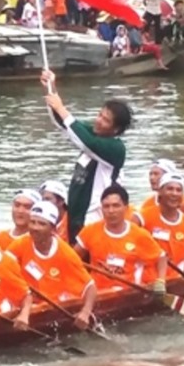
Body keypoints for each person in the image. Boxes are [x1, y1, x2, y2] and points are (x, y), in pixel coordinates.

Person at [40, 69, 131, 242]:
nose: (98, 120)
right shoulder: (93, 134)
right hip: (75, 216)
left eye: (105, 120)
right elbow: (65, 124)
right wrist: (51, 88)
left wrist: (60, 106)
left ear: (116, 129)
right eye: (99, 115)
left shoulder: (115, 149)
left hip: (93, 219)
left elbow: (86, 141)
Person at [5, 202, 97, 330]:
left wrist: (86, 312)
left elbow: (90, 286)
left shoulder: (65, 253)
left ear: (53, 229)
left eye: (42, 224)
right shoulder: (19, 244)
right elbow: (1, 269)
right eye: (32, 222)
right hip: (29, 302)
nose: (35, 228)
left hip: (55, 305)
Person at [75, 184, 168, 293]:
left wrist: (161, 280)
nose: (111, 211)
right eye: (106, 206)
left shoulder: (139, 235)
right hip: (98, 294)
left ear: (126, 208)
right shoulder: (90, 231)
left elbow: (161, 258)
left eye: (116, 206)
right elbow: (73, 258)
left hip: (128, 293)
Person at [136, 174, 184, 281]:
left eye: (178, 190)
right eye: (170, 189)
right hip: (143, 281)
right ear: (160, 192)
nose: (174, 193)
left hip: (172, 281)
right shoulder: (142, 217)